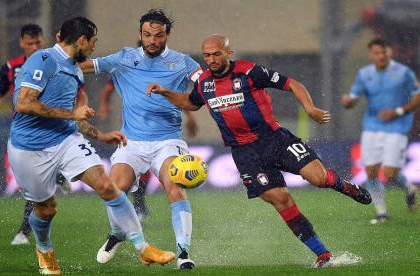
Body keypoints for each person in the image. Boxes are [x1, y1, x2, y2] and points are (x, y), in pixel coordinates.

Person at [147, 34, 373, 268]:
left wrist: (309, 107)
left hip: (274, 139)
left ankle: (346, 187)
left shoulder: (249, 72)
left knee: (319, 178)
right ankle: (323, 254)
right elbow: (191, 103)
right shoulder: (204, 82)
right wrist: (165, 92)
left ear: (228, 53)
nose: (211, 60)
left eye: (216, 54)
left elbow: (292, 84)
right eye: (206, 55)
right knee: (280, 200)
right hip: (245, 154)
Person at [8, 16, 175, 274]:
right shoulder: (43, 60)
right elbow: (24, 104)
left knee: (108, 187)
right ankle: (43, 248)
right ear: (82, 41)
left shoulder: (75, 69)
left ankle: (143, 248)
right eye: (93, 42)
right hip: (29, 147)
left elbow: (78, 115)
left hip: (66, 140)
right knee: (46, 208)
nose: (94, 48)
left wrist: (101, 135)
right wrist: (72, 115)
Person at [79, 9, 202, 269]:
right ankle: (117, 234)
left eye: (158, 35)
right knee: (114, 188)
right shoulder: (124, 57)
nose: (152, 41)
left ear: (167, 35)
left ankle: (183, 253)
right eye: (147, 35)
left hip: (168, 141)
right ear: (140, 34)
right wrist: (52, 65)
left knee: (175, 188)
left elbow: (205, 90)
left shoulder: (183, 63)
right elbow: (84, 67)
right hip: (131, 142)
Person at [0, 24, 46, 246]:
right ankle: (26, 229)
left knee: (41, 178)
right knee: (32, 183)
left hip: (52, 126)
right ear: (22, 43)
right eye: (30, 43)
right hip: (25, 129)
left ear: (43, 41)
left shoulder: (53, 62)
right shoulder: (11, 67)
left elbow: (77, 90)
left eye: (37, 42)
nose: (34, 47)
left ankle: (24, 231)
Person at [98, 78, 199, 224]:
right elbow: (108, 89)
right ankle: (137, 208)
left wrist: (189, 116)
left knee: (157, 171)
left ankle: (140, 206)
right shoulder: (126, 68)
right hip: (135, 127)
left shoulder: (163, 72)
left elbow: (176, 97)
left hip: (164, 130)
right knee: (129, 172)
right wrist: (104, 105)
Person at [342, 38, 420, 224]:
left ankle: (408, 187)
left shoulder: (403, 73)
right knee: (370, 171)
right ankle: (381, 212)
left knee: (391, 172)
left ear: (390, 52)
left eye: (384, 52)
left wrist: (397, 111)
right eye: (377, 53)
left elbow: (417, 98)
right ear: (371, 55)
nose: (381, 56)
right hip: (371, 127)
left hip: (397, 127)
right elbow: (353, 97)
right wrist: (349, 102)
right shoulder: (364, 74)